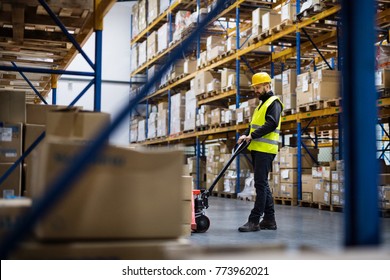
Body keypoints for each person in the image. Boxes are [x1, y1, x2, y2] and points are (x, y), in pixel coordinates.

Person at [237, 72, 283, 232]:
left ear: (267, 86)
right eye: (255, 87)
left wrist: (252, 135)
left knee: (260, 184)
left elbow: (272, 123)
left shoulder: (274, 103)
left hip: (265, 150)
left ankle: (254, 220)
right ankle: (269, 220)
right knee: (263, 184)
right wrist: (245, 135)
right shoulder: (260, 106)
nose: (256, 90)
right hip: (257, 149)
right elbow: (253, 125)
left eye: (258, 87)